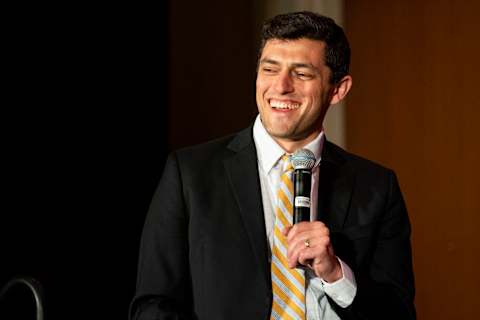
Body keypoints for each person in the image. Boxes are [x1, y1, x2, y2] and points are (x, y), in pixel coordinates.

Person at [129, 11, 415, 320]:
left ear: (338, 89)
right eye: (269, 69)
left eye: (301, 73)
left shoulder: (376, 186)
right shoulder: (190, 174)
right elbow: (152, 306)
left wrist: (335, 274)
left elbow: (398, 313)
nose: (281, 86)